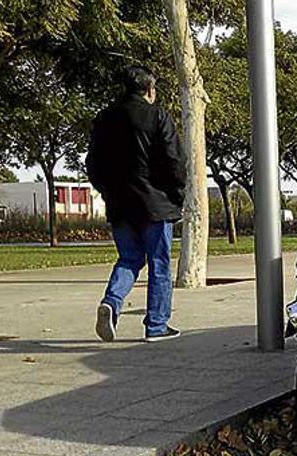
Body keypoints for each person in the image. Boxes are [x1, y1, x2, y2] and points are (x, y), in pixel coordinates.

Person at [86, 66, 187, 343]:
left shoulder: (104, 119)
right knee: (159, 264)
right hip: (155, 204)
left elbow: (92, 165)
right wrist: (176, 195)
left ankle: (112, 302)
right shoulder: (158, 116)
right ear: (150, 90)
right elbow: (175, 161)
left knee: (129, 259)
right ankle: (156, 325)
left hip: (120, 205)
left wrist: (108, 192)